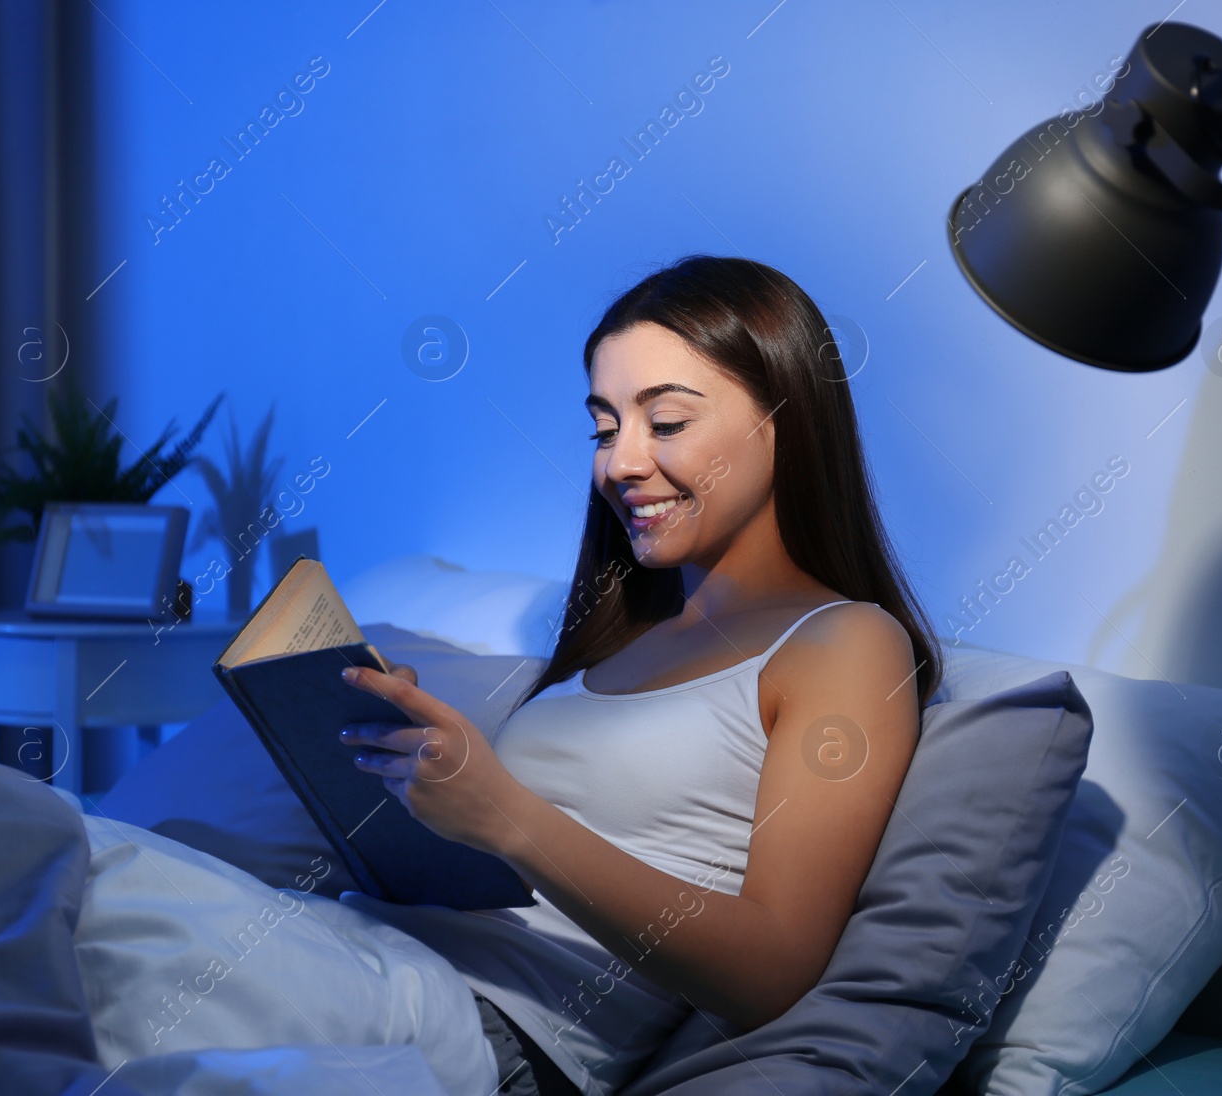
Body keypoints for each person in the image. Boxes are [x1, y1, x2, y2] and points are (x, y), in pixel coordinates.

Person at [338, 254, 944, 1096]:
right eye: (603, 427)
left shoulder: (845, 643)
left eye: (664, 424)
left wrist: (507, 815)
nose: (620, 463)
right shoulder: (621, 635)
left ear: (788, 420)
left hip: (473, 1022)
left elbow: (774, 969)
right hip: (369, 952)